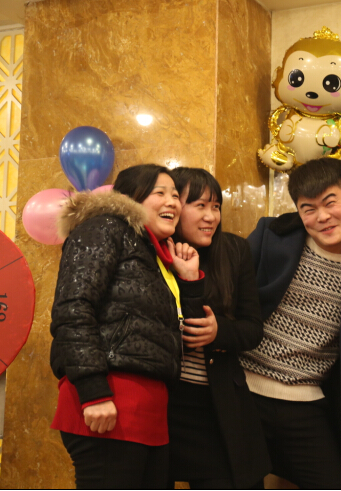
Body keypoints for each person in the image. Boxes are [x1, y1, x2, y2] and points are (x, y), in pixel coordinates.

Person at [50, 164, 204, 488]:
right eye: (160, 193)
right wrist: (93, 392)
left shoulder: (154, 254)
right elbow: (73, 308)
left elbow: (179, 336)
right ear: (132, 198)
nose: (172, 202)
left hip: (151, 411)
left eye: (175, 195)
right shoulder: (105, 227)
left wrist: (190, 280)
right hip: (110, 401)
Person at [241, 157, 341, 489]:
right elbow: (226, 293)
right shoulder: (271, 235)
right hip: (243, 392)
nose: (322, 217)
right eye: (309, 209)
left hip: (306, 401)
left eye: (330, 203)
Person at [166, 167, 271, 488]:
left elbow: (252, 328)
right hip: (168, 403)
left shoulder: (235, 251)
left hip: (219, 403)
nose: (210, 216)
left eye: (216, 206)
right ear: (174, 206)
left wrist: (218, 331)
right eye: (199, 205)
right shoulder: (154, 253)